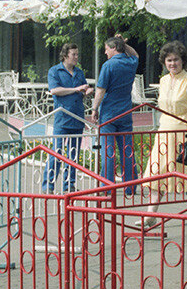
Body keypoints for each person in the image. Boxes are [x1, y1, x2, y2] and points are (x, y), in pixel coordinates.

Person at [144, 40, 187, 201]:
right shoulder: (163, 80)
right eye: (169, 60)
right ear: (164, 62)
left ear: (183, 61)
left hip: (184, 132)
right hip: (164, 132)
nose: (173, 63)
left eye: (176, 59)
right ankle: (151, 214)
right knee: (157, 171)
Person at [43, 41, 93, 192]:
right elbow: (55, 91)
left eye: (77, 54)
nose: (76, 57)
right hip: (62, 117)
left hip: (77, 116)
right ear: (65, 56)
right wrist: (76, 89)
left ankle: (69, 185)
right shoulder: (55, 71)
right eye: (74, 54)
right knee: (56, 153)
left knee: (73, 155)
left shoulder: (79, 72)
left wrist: (86, 91)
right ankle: (49, 185)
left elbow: (81, 91)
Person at [92, 35, 140, 187]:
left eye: (106, 49)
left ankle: (107, 186)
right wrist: (124, 45)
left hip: (109, 113)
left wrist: (94, 109)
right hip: (125, 111)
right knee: (127, 150)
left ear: (113, 48)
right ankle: (130, 186)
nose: (105, 52)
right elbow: (136, 54)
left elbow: (100, 90)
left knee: (108, 151)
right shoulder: (131, 62)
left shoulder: (108, 65)